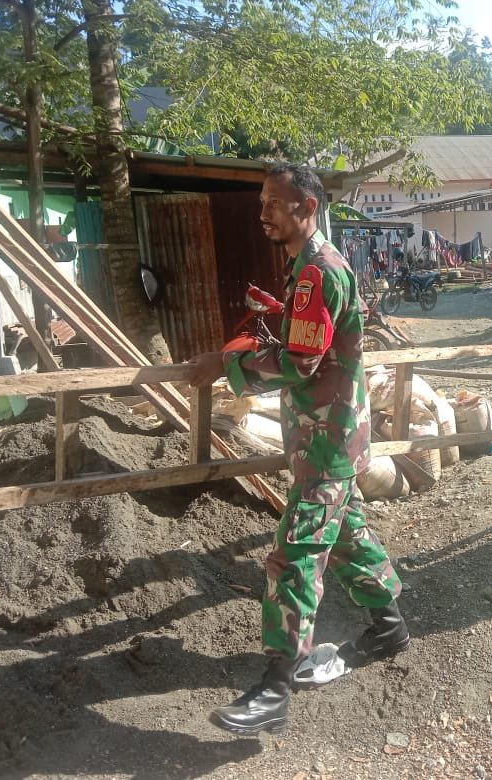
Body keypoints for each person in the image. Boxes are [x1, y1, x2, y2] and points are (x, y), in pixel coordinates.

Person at [190, 162, 409, 736]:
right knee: (345, 535)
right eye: (262, 202)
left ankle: (275, 687)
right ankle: (388, 628)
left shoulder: (316, 271)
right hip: (330, 434)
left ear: (306, 208)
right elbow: (313, 344)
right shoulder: (308, 269)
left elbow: (301, 361)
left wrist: (227, 365)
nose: (262, 212)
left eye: (272, 202)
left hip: (328, 440)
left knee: (296, 553)